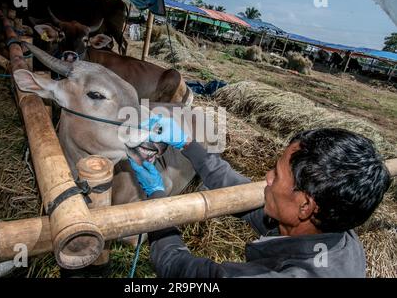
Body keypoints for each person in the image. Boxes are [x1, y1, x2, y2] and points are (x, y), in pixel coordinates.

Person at [128, 116, 391, 278]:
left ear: (305, 206)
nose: (266, 178)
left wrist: (156, 195)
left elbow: (178, 267)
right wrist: (186, 143)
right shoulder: (336, 230)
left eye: (276, 176)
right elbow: (233, 187)